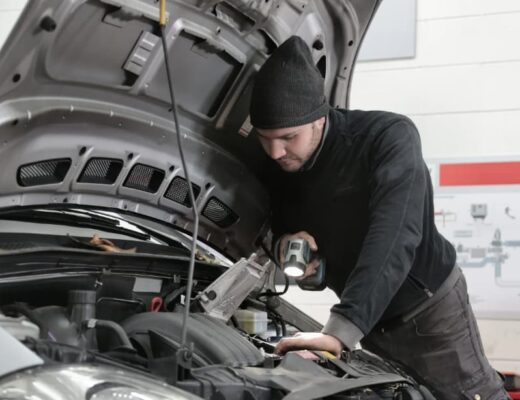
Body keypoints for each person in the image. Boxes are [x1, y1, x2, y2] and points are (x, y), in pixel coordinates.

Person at [249, 36, 508, 400]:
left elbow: (395, 236)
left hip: (428, 313)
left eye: (288, 137)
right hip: (368, 322)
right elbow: (266, 224)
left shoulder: (387, 138)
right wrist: (284, 248)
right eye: (264, 138)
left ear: (319, 119)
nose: (275, 152)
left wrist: (341, 330)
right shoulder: (276, 163)